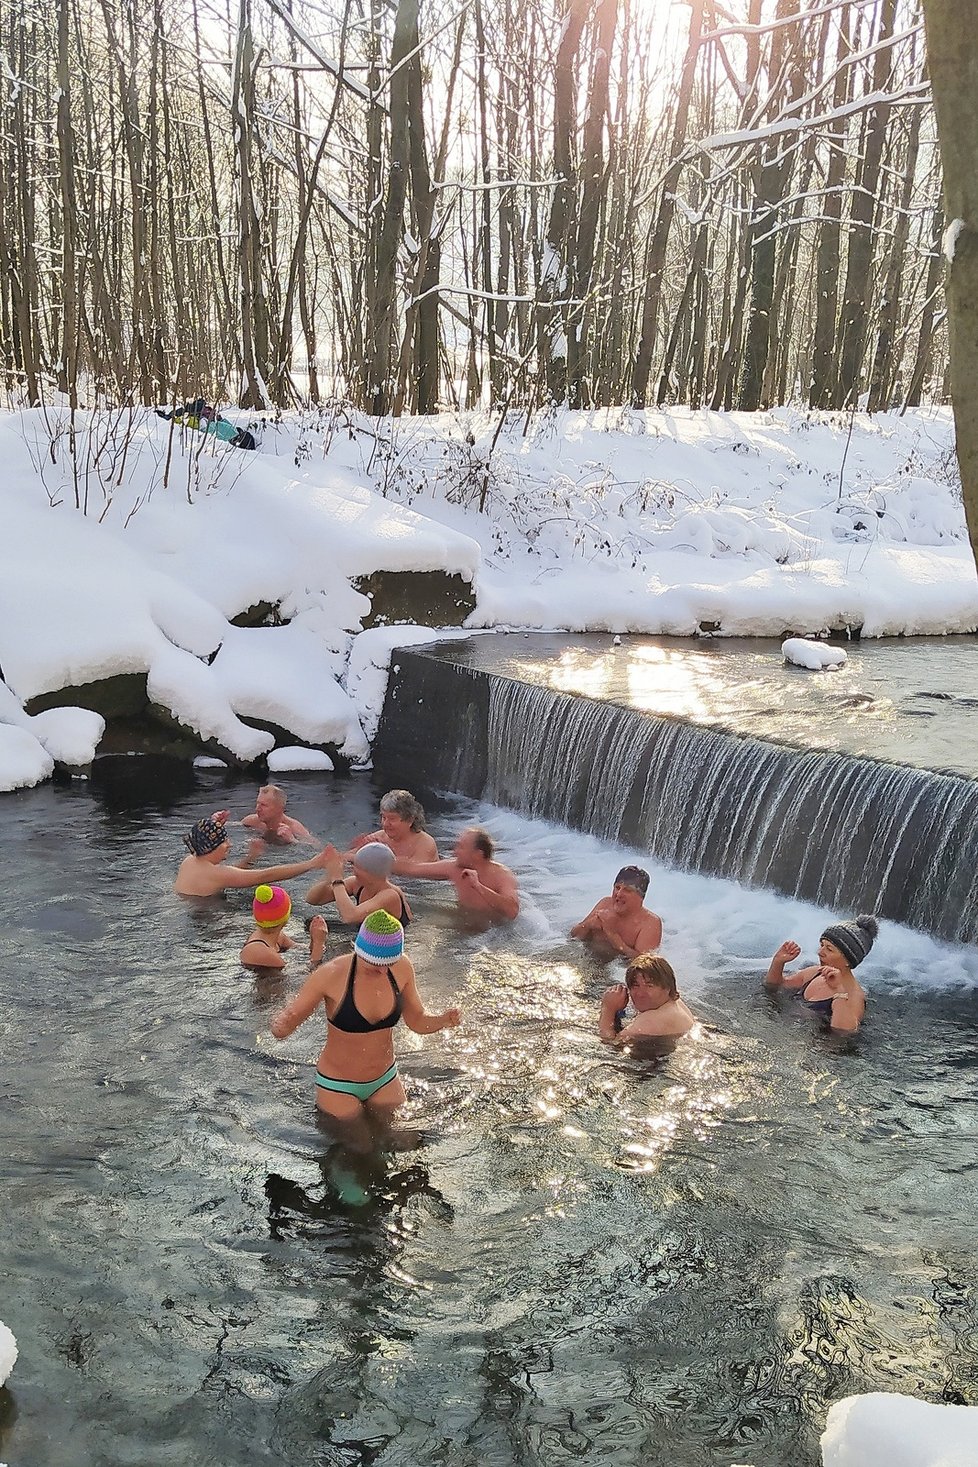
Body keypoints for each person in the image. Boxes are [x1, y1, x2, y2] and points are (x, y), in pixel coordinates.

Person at [270, 910, 461, 1131]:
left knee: (407, 1140)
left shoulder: (402, 967)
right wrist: (279, 1022)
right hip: (338, 1086)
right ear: (359, 951)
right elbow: (288, 1021)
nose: (383, 970)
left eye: (389, 963)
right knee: (360, 1151)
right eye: (375, 964)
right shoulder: (330, 975)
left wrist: (442, 1020)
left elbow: (417, 1021)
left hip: (385, 1078)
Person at [763, 914, 877, 1032]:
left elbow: (842, 1032)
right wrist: (778, 962)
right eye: (822, 945)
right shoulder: (814, 972)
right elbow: (775, 985)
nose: (820, 952)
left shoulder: (854, 996)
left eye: (829, 949)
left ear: (848, 960)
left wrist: (839, 991)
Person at [174, 813, 330, 896]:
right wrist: (311, 864)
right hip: (206, 917)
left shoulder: (190, 860)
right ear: (211, 847)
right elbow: (264, 876)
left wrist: (250, 858)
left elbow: (229, 874)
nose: (230, 844)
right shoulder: (216, 873)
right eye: (224, 842)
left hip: (190, 907)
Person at [398, 826, 519, 923]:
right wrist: (382, 857)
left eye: (461, 847)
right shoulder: (455, 868)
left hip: (495, 934)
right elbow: (413, 869)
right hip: (465, 924)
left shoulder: (502, 875)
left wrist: (478, 886)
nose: (455, 851)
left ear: (478, 854)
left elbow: (512, 911)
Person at [305, 841, 413, 925]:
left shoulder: (390, 895)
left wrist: (337, 879)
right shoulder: (357, 883)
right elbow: (313, 900)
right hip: (368, 934)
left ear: (371, 874)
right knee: (309, 923)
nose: (353, 870)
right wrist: (329, 876)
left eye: (357, 868)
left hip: (390, 945)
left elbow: (349, 917)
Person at [598, 953, 695, 1045]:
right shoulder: (676, 1003)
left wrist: (608, 1009)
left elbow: (610, 1043)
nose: (640, 993)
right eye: (636, 986)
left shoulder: (650, 1021)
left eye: (649, 986)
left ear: (667, 988)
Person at [571, 865, 662, 960]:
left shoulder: (650, 923)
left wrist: (613, 937)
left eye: (627, 890)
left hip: (618, 970)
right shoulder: (605, 904)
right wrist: (588, 925)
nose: (618, 894)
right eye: (617, 887)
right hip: (585, 957)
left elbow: (645, 967)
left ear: (641, 897)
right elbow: (572, 936)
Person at [240, 884, 329, 971]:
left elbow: (302, 951)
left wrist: (314, 937)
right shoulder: (263, 953)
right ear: (285, 919)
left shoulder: (278, 936)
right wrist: (318, 943)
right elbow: (306, 971)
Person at [348, 789, 438, 864]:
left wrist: (376, 856)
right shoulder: (379, 837)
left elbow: (414, 869)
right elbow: (344, 857)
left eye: (392, 818)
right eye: (383, 817)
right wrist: (364, 850)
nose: (385, 824)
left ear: (410, 820)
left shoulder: (424, 843)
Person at [241, 785, 316, 845]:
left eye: (263, 805)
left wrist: (293, 841)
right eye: (258, 803)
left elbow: (317, 848)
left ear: (279, 808)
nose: (257, 808)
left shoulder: (295, 828)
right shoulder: (251, 821)